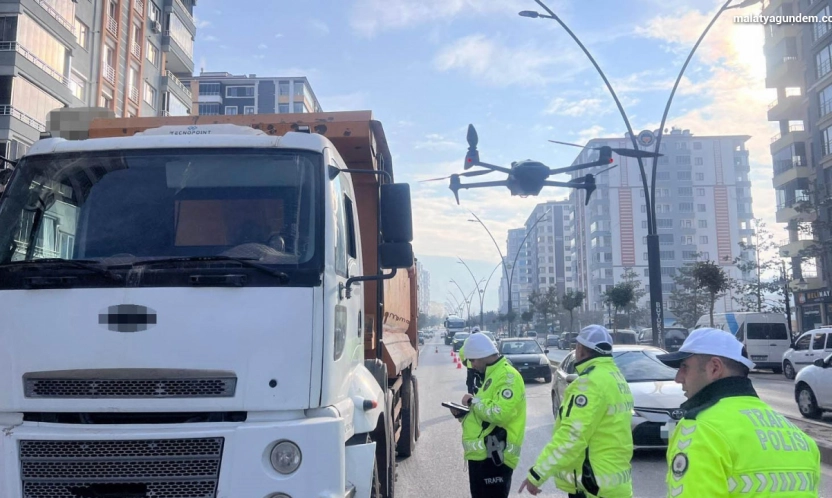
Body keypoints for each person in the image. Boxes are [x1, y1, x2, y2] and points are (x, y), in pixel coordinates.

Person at [656, 328, 821, 497]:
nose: (678, 377)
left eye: (685, 367)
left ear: (714, 368)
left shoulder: (700, 429)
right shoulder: (798, 436)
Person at [519, 325, 634, 498]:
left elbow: (571, 436)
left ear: (580, 349)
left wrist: (538, 474)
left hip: (593, 486)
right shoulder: (616, 378)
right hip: (616, 484)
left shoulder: (589, 384)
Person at [455, 332, 526, 498]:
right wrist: (462, 415)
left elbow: (499, 414)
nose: (472, 365)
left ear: (482, 356)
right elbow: (483, 418)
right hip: (483, 457)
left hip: (496, 458)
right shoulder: (490, 376)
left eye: (472, 360)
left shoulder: (508, 377)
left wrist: (473, 402)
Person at [459, 326, 484, 394]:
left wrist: (464, 361)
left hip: (470, 366)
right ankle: (480, 396)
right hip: (481, 366)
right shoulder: (483, 340)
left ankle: (470, 397)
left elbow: (461, 351)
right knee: (480, 382)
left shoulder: (468, 340)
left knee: (470, 382)